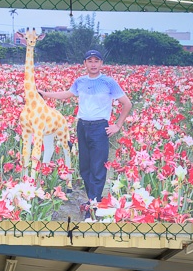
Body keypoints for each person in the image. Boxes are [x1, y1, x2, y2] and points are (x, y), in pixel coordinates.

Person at [39, 49, 132, 219]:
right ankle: (93, 201)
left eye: (97, 61)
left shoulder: (109, 82)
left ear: (101, 63)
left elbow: (127, 104)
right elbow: (67, 94)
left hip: (100, 128)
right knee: (84, 168)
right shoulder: (80, 81)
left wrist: (117, 125)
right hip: (82, 126)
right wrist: (45, 94)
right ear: (85, 64)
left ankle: (92, 209)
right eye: (90, 61)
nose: (93, 64)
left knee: (97, 169)